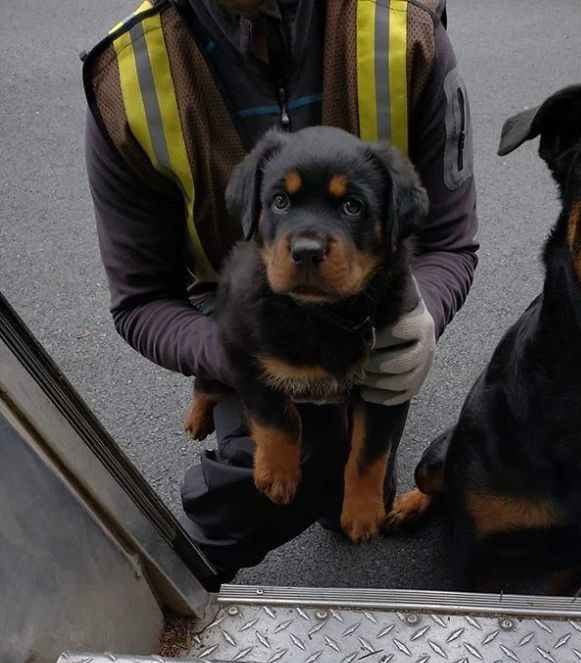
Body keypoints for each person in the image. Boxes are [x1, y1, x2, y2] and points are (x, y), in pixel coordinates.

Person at [83, 0, 478, 582]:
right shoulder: (129, 74)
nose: (311, 242)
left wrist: (421, 320)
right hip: (239, 307)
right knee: (297, 465)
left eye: (347, 203)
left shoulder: (404, 30)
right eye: (284, 202)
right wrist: (239, 363)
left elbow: (449, 241)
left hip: (372, 305)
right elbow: (141, 300)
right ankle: (179, 569)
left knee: (354, 476)